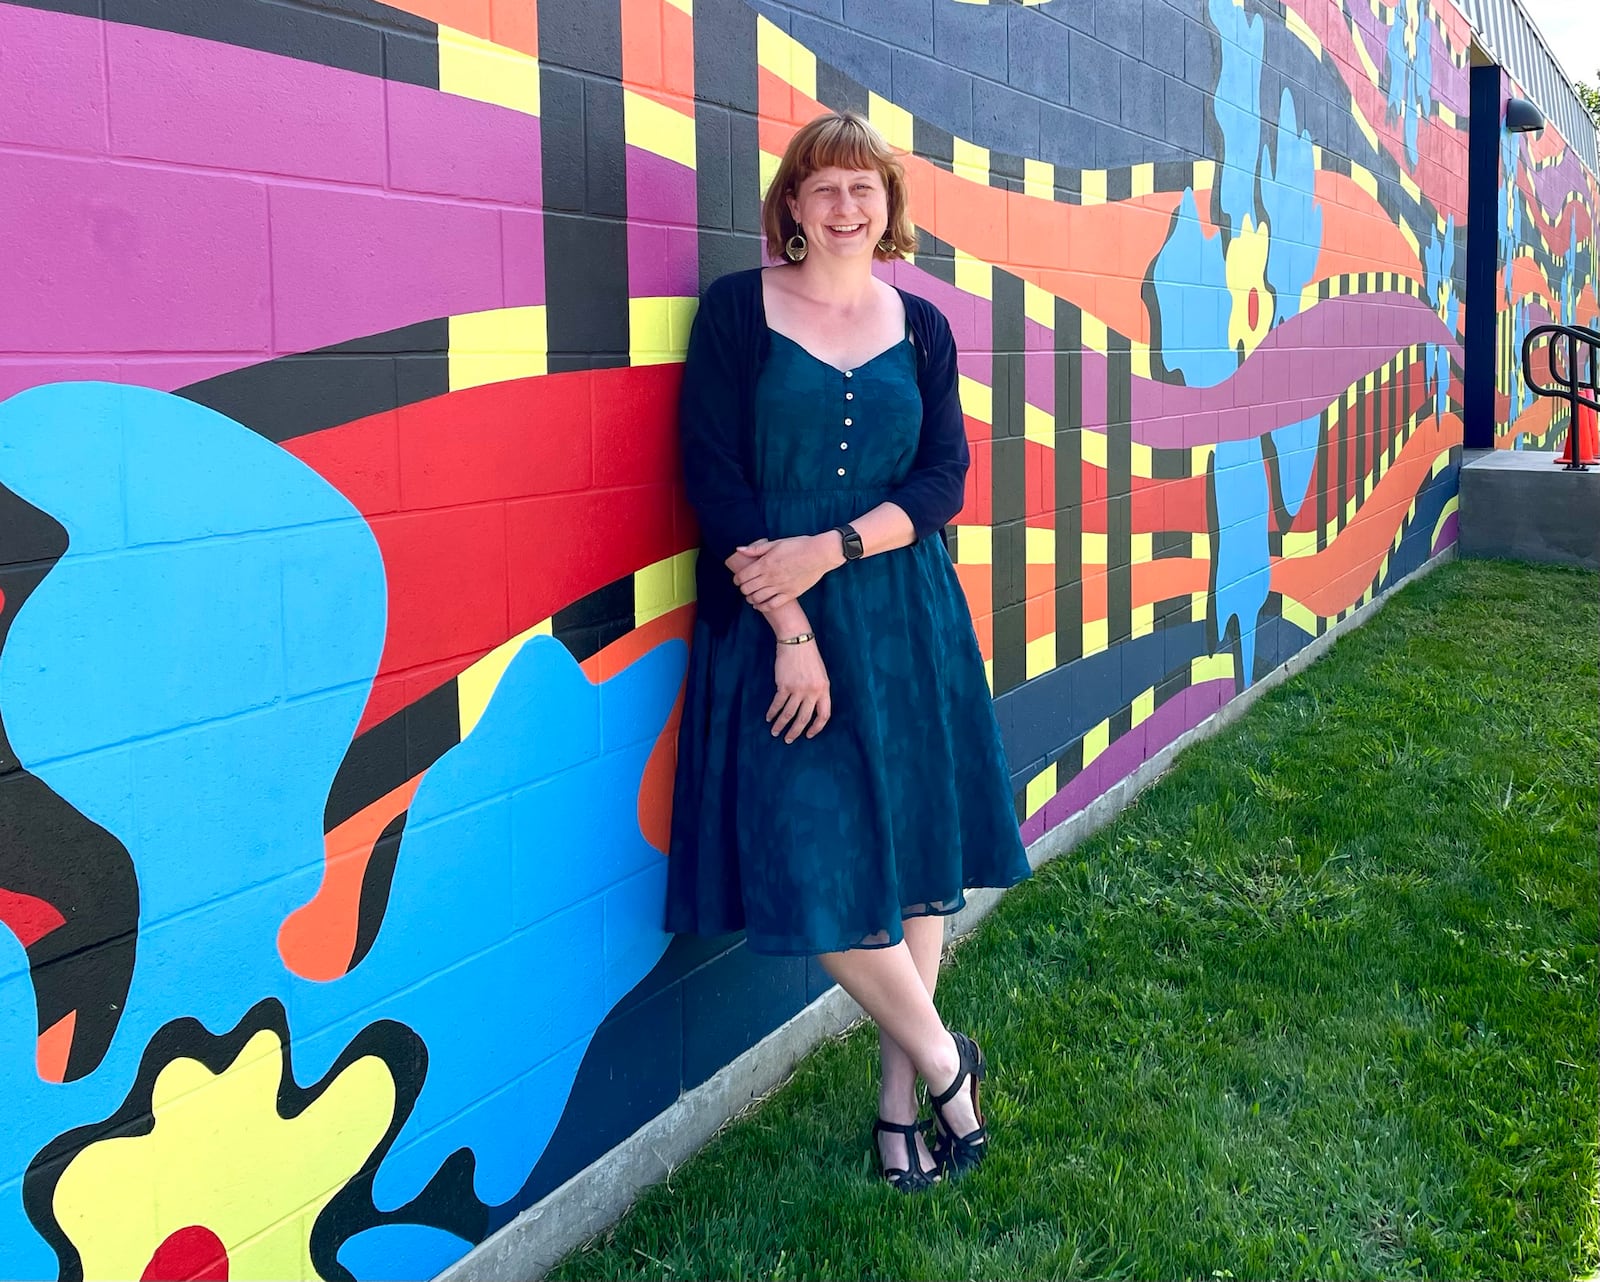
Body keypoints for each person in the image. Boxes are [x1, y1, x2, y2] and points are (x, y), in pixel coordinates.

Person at [665, 111, 1032, 1192]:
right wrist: (789, 626)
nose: (844, 206)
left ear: (888, 205)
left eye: (863, 188)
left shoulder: (920, 327)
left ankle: (892, 1112)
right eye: (823, 187)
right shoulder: (737, 310)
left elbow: (942, 479)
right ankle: (941, 1059)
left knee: (917, 859)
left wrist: (831, 548)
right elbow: (714, 477)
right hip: (775, 631)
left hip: (904, 616)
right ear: (790, 204)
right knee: (808, 855)